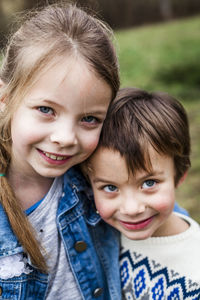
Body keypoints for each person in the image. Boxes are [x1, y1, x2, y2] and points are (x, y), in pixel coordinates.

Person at [0, 3, 121, 299]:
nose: (65, 138)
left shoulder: (99, 176)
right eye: (46, 110)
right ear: (4, 99)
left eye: (89, 119)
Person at [84, 87, 200, 299]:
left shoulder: (195, 266)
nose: (132, 209)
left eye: (149, 183)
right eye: (110, 188)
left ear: (180, 174)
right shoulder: (98, 237)